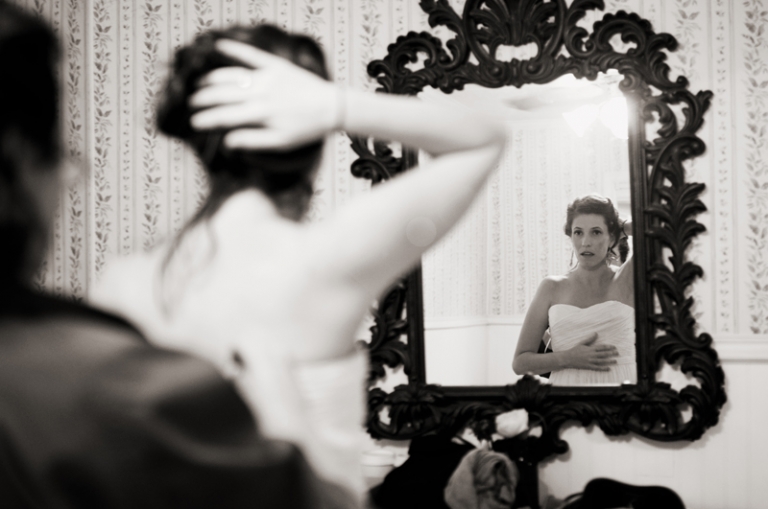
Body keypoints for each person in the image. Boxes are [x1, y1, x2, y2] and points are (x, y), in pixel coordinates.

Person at [89, 24, 506, 502]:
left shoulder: (121, 284)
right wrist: (337, 106)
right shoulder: (326, 262)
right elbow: (485, 140)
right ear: (311, 135)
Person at [0, 3, 356, 507]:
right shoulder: (122, 390)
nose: (72, 176)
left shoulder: (119, 293)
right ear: (18, 156)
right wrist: (281, 405)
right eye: (61, 153)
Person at [512, 194, 636, 386]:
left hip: (621, 392)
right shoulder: (551, 287)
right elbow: (520, 363)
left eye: (596, 232)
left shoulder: (625, 279)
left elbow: (661, 228)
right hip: (567, 394)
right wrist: (568, 358)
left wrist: (624, 227)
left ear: (612, 237)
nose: (585, 242)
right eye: (578, 232)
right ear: (570, 236)